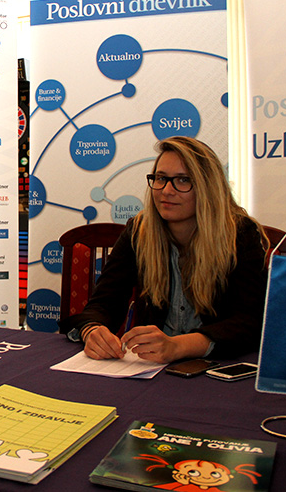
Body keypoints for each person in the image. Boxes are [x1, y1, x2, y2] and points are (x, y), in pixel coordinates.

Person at [59, 136, 269, 363]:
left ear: (208, 187)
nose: (167, 190)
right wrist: (92, 330)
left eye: (183, 180)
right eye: (160, 178)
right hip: (150, 367)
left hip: (215, 365)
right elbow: (104, 302)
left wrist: (179, 346)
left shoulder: (240, 234)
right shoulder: (139, 231)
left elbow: (250, 322)